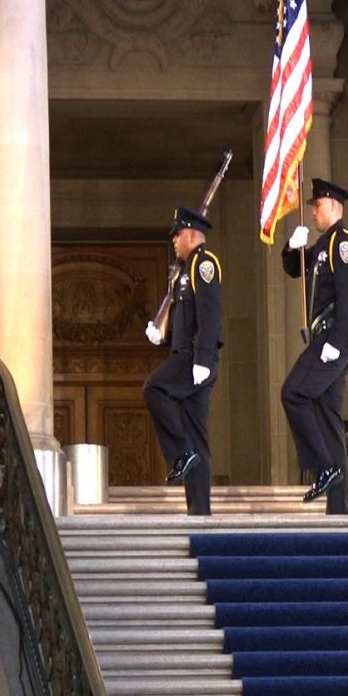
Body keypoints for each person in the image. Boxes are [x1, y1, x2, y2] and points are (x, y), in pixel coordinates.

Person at [280, 178, 348, 513]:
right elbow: (292, 269)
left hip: (331, 339)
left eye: (317, 205)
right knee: (328, 420)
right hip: (323, 338)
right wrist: (291, 247)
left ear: (333, 206)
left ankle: (323, 466)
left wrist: (338, 341)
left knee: (294, 393)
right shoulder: (323, 246)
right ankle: (338, 510)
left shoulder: (343, 242)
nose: (312, 211)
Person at [143, 206, 222, 516]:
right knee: (196, 434)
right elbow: (184, 318)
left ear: (191, 234)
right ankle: (199, 512)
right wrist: (161, 333)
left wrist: (202, 357)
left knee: (153, 389)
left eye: (177, 234)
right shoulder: (184, 270)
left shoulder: (204, 264)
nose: (174, 240)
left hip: (194, 359)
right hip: (188, 355)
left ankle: (179, 454)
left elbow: (209, 312)